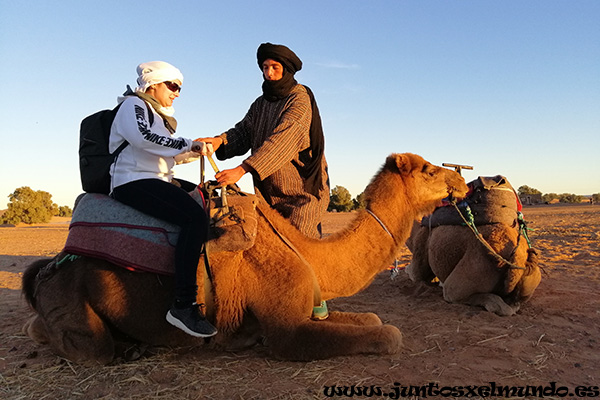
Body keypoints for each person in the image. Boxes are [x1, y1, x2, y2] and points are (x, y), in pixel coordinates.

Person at [198, 43, 330, 319]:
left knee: (301, 248)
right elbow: (244, 131)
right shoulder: (261, 104)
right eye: (265, 68)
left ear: (287, 70)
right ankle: (275, 308)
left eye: (275, 68)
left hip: (302, 190)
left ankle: (315, 307)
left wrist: (244, 168)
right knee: (273, 251)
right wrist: (219, 140)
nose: (269, 73)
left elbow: (284, 139)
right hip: (270, 190)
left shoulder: (299, 98)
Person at [109, 61, 217, 337]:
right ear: (153, 84)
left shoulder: (157, 116)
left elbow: (168, 153)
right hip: (133, 181)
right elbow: (143, 139)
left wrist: (196, 151)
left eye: (179, 87)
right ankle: (183, 303)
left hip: (155, 178)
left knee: (207, 201)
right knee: (194, 218)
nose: (177, 93)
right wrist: (187, 143)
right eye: (172, 85)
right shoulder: (133, 106)